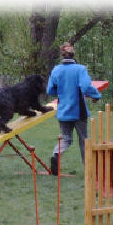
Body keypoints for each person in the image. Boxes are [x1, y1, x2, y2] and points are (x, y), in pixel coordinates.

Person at [47, 42, 102, 175]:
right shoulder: (80, 69)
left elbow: (50, 90)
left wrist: (62, 91)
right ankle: (88, 168)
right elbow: (85, 86)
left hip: (63, 110)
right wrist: (96, 95)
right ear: (73, 55)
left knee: (66, 139)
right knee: (84, 140)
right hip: (78, 111)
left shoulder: (56, 70)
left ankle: (56, 154)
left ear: (62, 55)